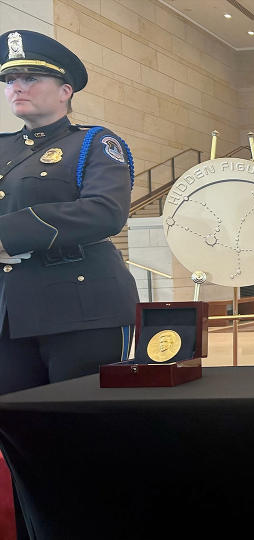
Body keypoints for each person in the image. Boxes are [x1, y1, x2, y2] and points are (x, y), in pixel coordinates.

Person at [0, 30, 138, 396]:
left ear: (65, 91)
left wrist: (7, 234)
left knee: (83, 425)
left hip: (82, 308)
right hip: (9, 314)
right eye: (10, 80)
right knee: (17, 430)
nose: (17, 87)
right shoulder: (2, 147)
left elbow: (105, 211)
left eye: (31, 78)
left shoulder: (93, 143)